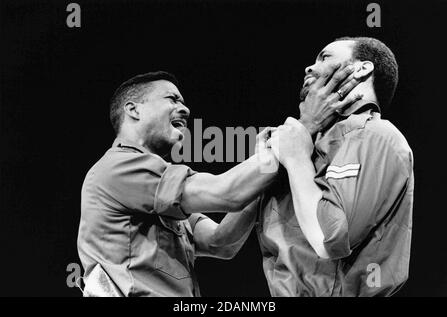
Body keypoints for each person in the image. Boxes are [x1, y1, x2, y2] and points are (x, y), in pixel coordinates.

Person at [77, 69, 361, 297]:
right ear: (133, 110)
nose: (185, 109)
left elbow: (220, 242)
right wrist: (302, 129)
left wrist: (266, 174)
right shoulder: (119, 168)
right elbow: (226, 193)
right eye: (172, 99)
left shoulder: (153, 186)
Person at [257, 37, 414, 296]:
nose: (309, 67)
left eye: (324, 57)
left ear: (361, 68)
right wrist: (264, 164)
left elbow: (328, 240)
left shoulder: (379, 136)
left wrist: (295, 159)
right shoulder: (294, 143)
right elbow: (222, 240)